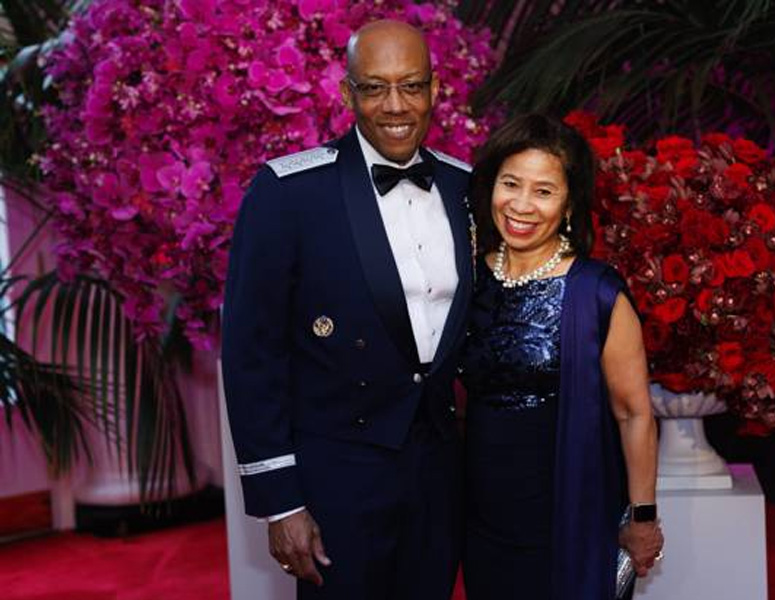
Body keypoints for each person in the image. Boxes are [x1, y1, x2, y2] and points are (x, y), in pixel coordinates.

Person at [221, 19, 473, 600]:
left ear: (436, 89)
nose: (395, 106)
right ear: (346, 93)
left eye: (411, 86)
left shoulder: (465, 186)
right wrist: (280, 501)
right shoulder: (289, 192)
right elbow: (252, 354)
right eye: (374, 87)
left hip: (438, 474)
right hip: (337, 475)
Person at [459, 113, 664, 600]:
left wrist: (642, 516)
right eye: (511, 184)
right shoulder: (467, 276)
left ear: (569, 204)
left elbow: (634, 413)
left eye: (544, 191)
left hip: (569, 512)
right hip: (482, 513)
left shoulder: (596, 292)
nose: (521, 205)